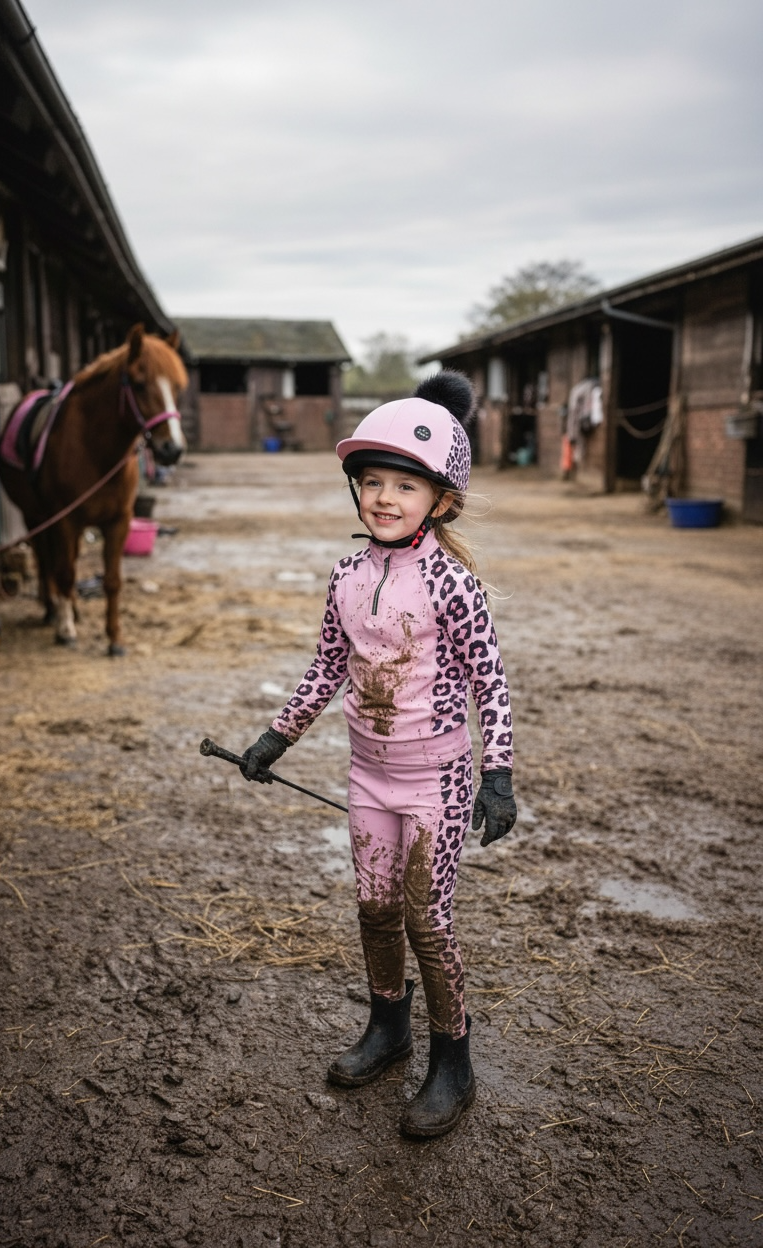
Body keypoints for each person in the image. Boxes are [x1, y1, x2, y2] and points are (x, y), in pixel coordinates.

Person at [239, 370, 516, 1138]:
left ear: (441, 500)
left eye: (405, 485)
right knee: (374, 910)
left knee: (428, 921)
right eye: (372, 482)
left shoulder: (453, 585)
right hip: (369, 775)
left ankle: (453, 1062)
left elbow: (490, 683)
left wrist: (497, 774)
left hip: (437, 781)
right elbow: (327, 666)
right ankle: (388, 1028)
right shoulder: (346, 576)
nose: (384, 498)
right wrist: (275, 737)